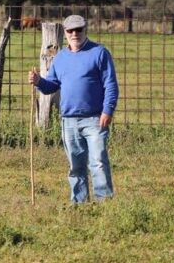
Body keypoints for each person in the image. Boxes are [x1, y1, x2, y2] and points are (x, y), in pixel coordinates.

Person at [28, 15, 119, 203]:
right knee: (75, 166)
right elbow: (51, 85)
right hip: (68, 120)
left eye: (78, 30)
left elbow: (110, 84)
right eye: (70, 31)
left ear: (85, 30)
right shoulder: (61, 57)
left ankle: (104, 202)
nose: (74, 34)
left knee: (98, 162)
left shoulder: (100, 53)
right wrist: (39, 82)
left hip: (95, 118)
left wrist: (107, 110)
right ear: (65, 33)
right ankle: (79, 203)